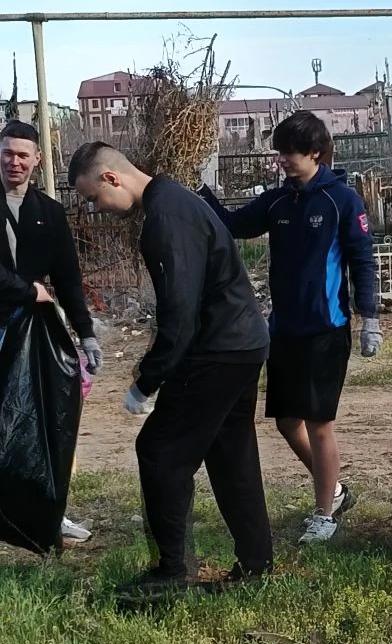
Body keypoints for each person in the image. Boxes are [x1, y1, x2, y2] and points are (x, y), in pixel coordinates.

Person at [68, 142, 272, 592]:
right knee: (231, 454)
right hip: (241, 343)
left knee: (160, 452)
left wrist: (146, 382)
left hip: (215, 350)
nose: (96, 208)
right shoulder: (173, 201)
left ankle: (171, 573)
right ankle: (256, 566)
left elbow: (179, 315)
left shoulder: (166, 217)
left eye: (93, 197)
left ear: (111, 178)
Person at [198, 110, 382, 544]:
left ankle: (324, 514)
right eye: (279, 151)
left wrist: (370, 318)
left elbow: (362, 260)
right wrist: (200, 192)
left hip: (325, 329)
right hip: (283, 330)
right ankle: (334, 490)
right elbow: (233, 225)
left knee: (319, 424)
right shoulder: (278, 201)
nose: (281, 159)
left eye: (288, 152)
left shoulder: (341, 200)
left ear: (315, 153)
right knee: (286, 421)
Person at [0, 120, 102, 543]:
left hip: (35, 332)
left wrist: (86, 333)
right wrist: (28, 290)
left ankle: (48, 513)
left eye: (23, 155)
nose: (15, 162)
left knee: (48, 420)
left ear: (38, 160)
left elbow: (68, 278)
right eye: (8, 153)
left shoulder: (50, 213)